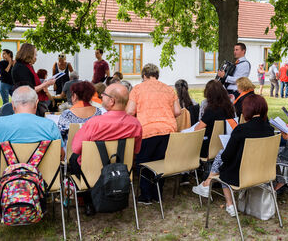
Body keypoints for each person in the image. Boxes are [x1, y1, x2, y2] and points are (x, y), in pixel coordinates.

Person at [191, 95, 274, 217]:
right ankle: (206, 183)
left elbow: (226, 157)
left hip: (241, 175)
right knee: (225, 159)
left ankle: (229, 203)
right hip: (263, 172)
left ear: (246, 109)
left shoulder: (241, 129)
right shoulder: (269, 129)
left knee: (224, 164)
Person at [70, 83, 142, 215]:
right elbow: (136, 151)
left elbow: (75, 148)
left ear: (111, 101)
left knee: (74, 158)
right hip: (120, 170)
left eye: (103, 95)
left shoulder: (94, 123)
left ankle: (89, 202)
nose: (100, 96)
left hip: (92, 174)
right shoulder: (135, 124)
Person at [126, 63, 181, 205]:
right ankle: (158, 194)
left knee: (143, 162)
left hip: (147, 130)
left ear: (144, 75)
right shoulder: (168, 89)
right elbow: (177, 112)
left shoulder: (137, 89)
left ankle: (146, 196)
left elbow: (130, 111)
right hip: (168, 129)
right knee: (160, 161)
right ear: (157, 75)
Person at [0, 86, 63, 177]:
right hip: (43, 182)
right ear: (36, 103)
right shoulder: (50, 125)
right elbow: (60, 154)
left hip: (5, 182)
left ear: (13, 105)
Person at [11, 43, 56, 116]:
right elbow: (29, 90)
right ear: (29, 54)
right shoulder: (20, 68)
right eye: (35, 54)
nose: (36, 57)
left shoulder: (28, 66)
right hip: (26, 104)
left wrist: (44, 83)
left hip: (33, 102)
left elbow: (33, 84)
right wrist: (46, 84)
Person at [194, 80, 235, 157]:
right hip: (225, 144)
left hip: (209, 147)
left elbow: (197, 130)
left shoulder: (211, 110)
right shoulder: (229, 107)